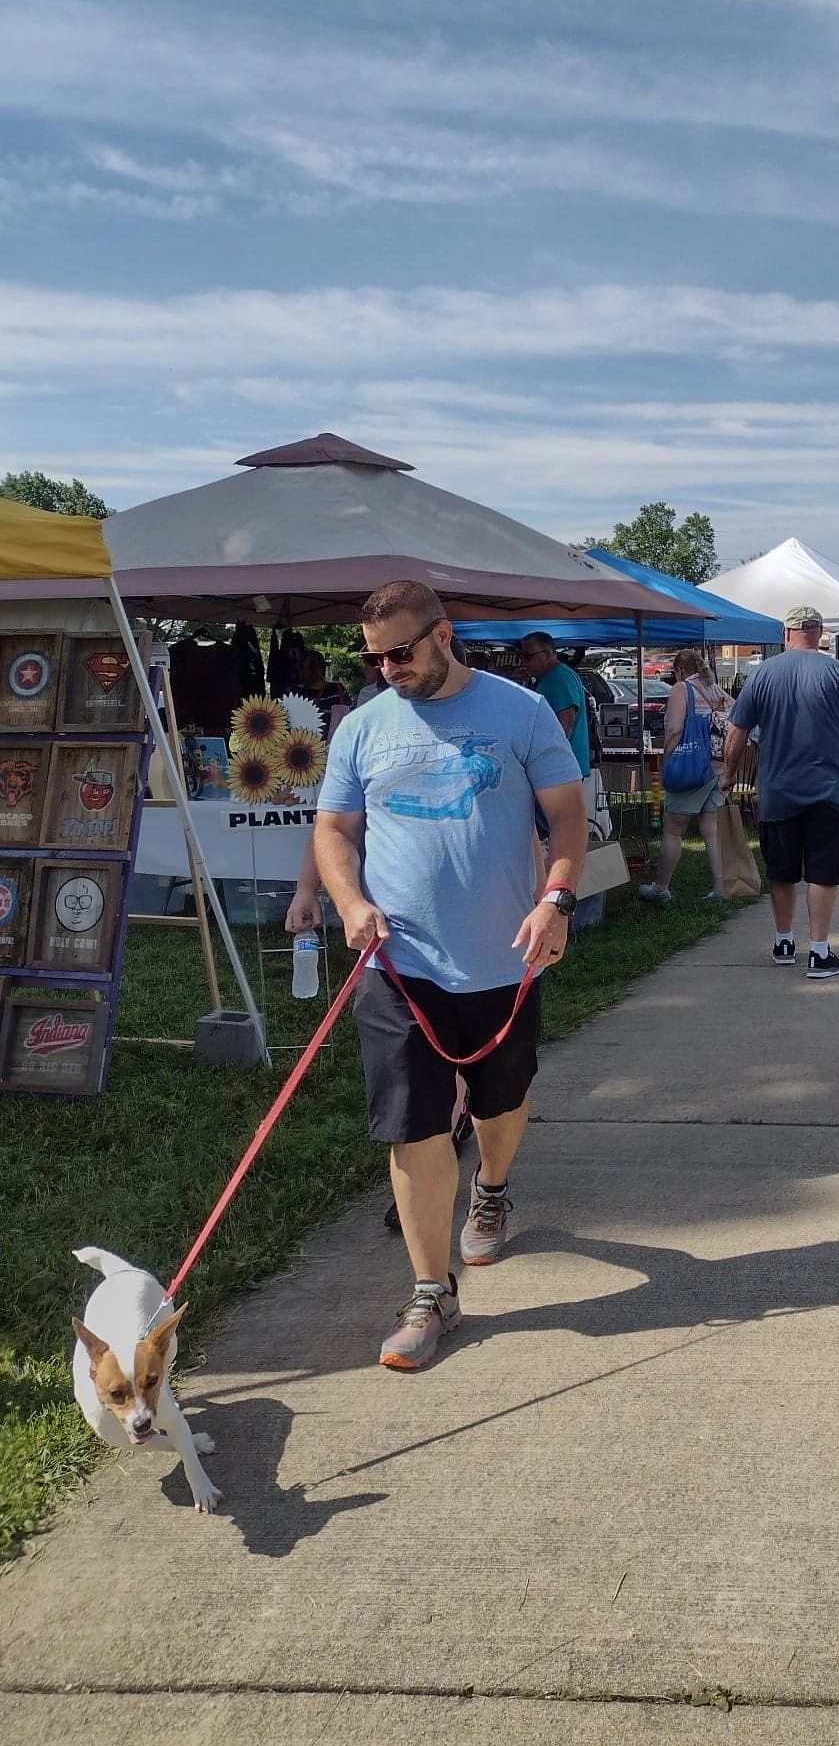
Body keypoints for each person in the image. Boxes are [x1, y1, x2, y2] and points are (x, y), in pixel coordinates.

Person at [315, 579, 587, 1371]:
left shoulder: (520, 711)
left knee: (502, 1103)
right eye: (374, 659)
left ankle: (493, 1186)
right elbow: (333, 828)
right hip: (398, 962)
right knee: (415, 1125)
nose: (388, 669)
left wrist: (557, 902)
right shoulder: (363, 728)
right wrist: (348, 899)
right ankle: (432, 1292)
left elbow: (566, 816)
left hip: (505, 954)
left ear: (443, 633)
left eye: (401, 652)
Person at [721, 605, 839, 978]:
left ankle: (784, 941)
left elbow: (737, 731)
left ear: (786, 634)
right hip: (826, 790)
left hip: (776, 789)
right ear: (819, 633)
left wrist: (729, 774)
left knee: (781, 870)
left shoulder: (762, 674)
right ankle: (819, 951)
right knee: (823, 871)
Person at [640, 647, 732, 903]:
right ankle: (719, 888)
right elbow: (734, 712)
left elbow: (674, 729)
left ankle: (661, 887)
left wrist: (667, 758)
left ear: (679, 671)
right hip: (715, 767)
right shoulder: (712, 687)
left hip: (691, 766)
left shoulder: (682, 689)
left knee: (672, 829)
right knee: (710, 829)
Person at [519, 632, 591, 779]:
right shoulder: (549, 677)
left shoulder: (559, 677)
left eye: (528, 656)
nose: (524, 661)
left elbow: (565, 726)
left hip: (561, 770)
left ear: (546, 654)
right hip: (558, 768)